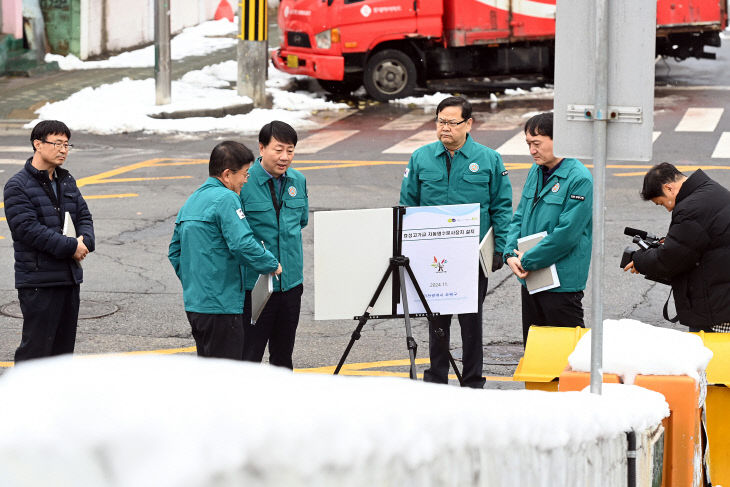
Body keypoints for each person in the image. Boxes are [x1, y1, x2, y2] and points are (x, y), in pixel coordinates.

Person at [399, 96, 513, 388]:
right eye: (440, 121)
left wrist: (500, 248)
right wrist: (406, 248)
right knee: (437, 319)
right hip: (432, 256)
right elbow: (407, 206)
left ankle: (473, 380)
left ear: (468, 124)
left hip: (471, 257)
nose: (445, 128)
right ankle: (437, 377)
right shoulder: (421, 158)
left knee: (471, 321)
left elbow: (501, 206)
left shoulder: (489, 159)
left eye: (452, 122)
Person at [168, 141, 282, 359]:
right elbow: (242, 243)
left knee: (210, 373)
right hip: (222, 307)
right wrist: (271, 263)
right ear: (228, 174)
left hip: (196, 305)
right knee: (226, 378)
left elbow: (175, 251)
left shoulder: (193, 200)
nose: (247, 179)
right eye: (245, 173)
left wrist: (195, 282)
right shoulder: (227, 198)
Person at [3, 120, 94, 362]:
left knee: (63, 352)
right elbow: (27, 229)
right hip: (38, 281)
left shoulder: (65, 180)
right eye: (57, 143)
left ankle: (57, 399)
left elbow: (83, 215)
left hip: (68, 277)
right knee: (36, 351)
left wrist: (87, 240)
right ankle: (23, 398)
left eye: (66, 144)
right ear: (37, 144)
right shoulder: (17, 185)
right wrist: (72, 246)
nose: (63, 150)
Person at [503, 112, 593, 346]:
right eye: (528, 144)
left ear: (559, 140)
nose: (532, 150)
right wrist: (510, 253)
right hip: (532, 277)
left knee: (566, 355)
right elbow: (520, 214)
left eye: (537, 144)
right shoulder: (537, 170)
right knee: (536, 352)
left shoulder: (579, 178)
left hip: (562, 282)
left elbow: (566, 235)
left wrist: (528, 260)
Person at [624, 163, 730, 332]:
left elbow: (670, 259)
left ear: (669, 189)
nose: (667, 208)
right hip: (721, 294)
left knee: (714, 356)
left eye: (661, 203)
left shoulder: (691, 208)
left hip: (718, 308)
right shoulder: (710, 189)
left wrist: (638, 260)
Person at [240, 121, 308, 369]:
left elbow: (301, 221)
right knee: (249, 355)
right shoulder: (243, 183)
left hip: (290, 285)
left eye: (290, 151)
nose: (284, 157)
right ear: (261, 148)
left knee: (283, 357)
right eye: (278, 149)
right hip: (255, 286)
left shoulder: (297, 180)